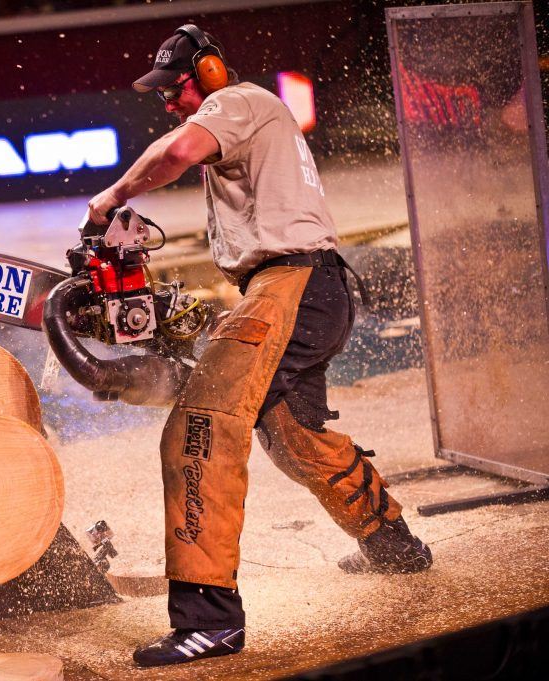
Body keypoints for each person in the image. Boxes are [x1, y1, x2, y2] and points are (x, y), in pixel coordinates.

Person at [87, 25, 433, 668]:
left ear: (211, 72)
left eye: (177, 87)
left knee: (202, 427)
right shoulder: (246, 123)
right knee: (293, 436)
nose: (170, 103)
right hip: (299, 284)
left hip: (293, 283)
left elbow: (178, 150)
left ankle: (209, 620)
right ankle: (395, 547)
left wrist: (112, 198)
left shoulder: (237, 102)